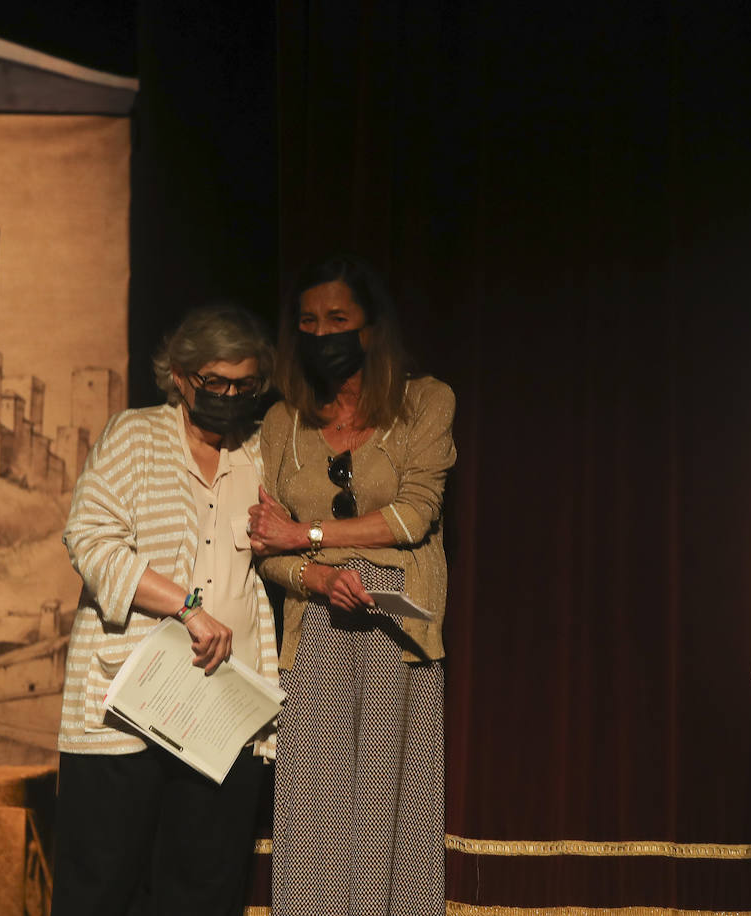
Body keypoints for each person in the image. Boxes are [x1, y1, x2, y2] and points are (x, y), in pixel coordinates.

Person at [50, 303, 280, 916]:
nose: (230, 397)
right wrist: (187, 608)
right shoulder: (135, 436)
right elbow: (90, 539)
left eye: (245, 386)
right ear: (179, 376)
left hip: (222, 708)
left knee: (204, 889)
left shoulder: (260, 454)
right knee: (100, 886)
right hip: (125, 707)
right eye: (215, 383)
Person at [245, 254, 455, 915]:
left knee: (390, 816)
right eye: (308, 321)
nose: (322, 333)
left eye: (338, 318)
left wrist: (305, 538)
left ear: (371, 327)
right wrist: (317, 576)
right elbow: (263, 546)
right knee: (313, 810)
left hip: (397, 631)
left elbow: (412, 516)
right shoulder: (283, 423)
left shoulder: (426, 401)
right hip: (316, 633)